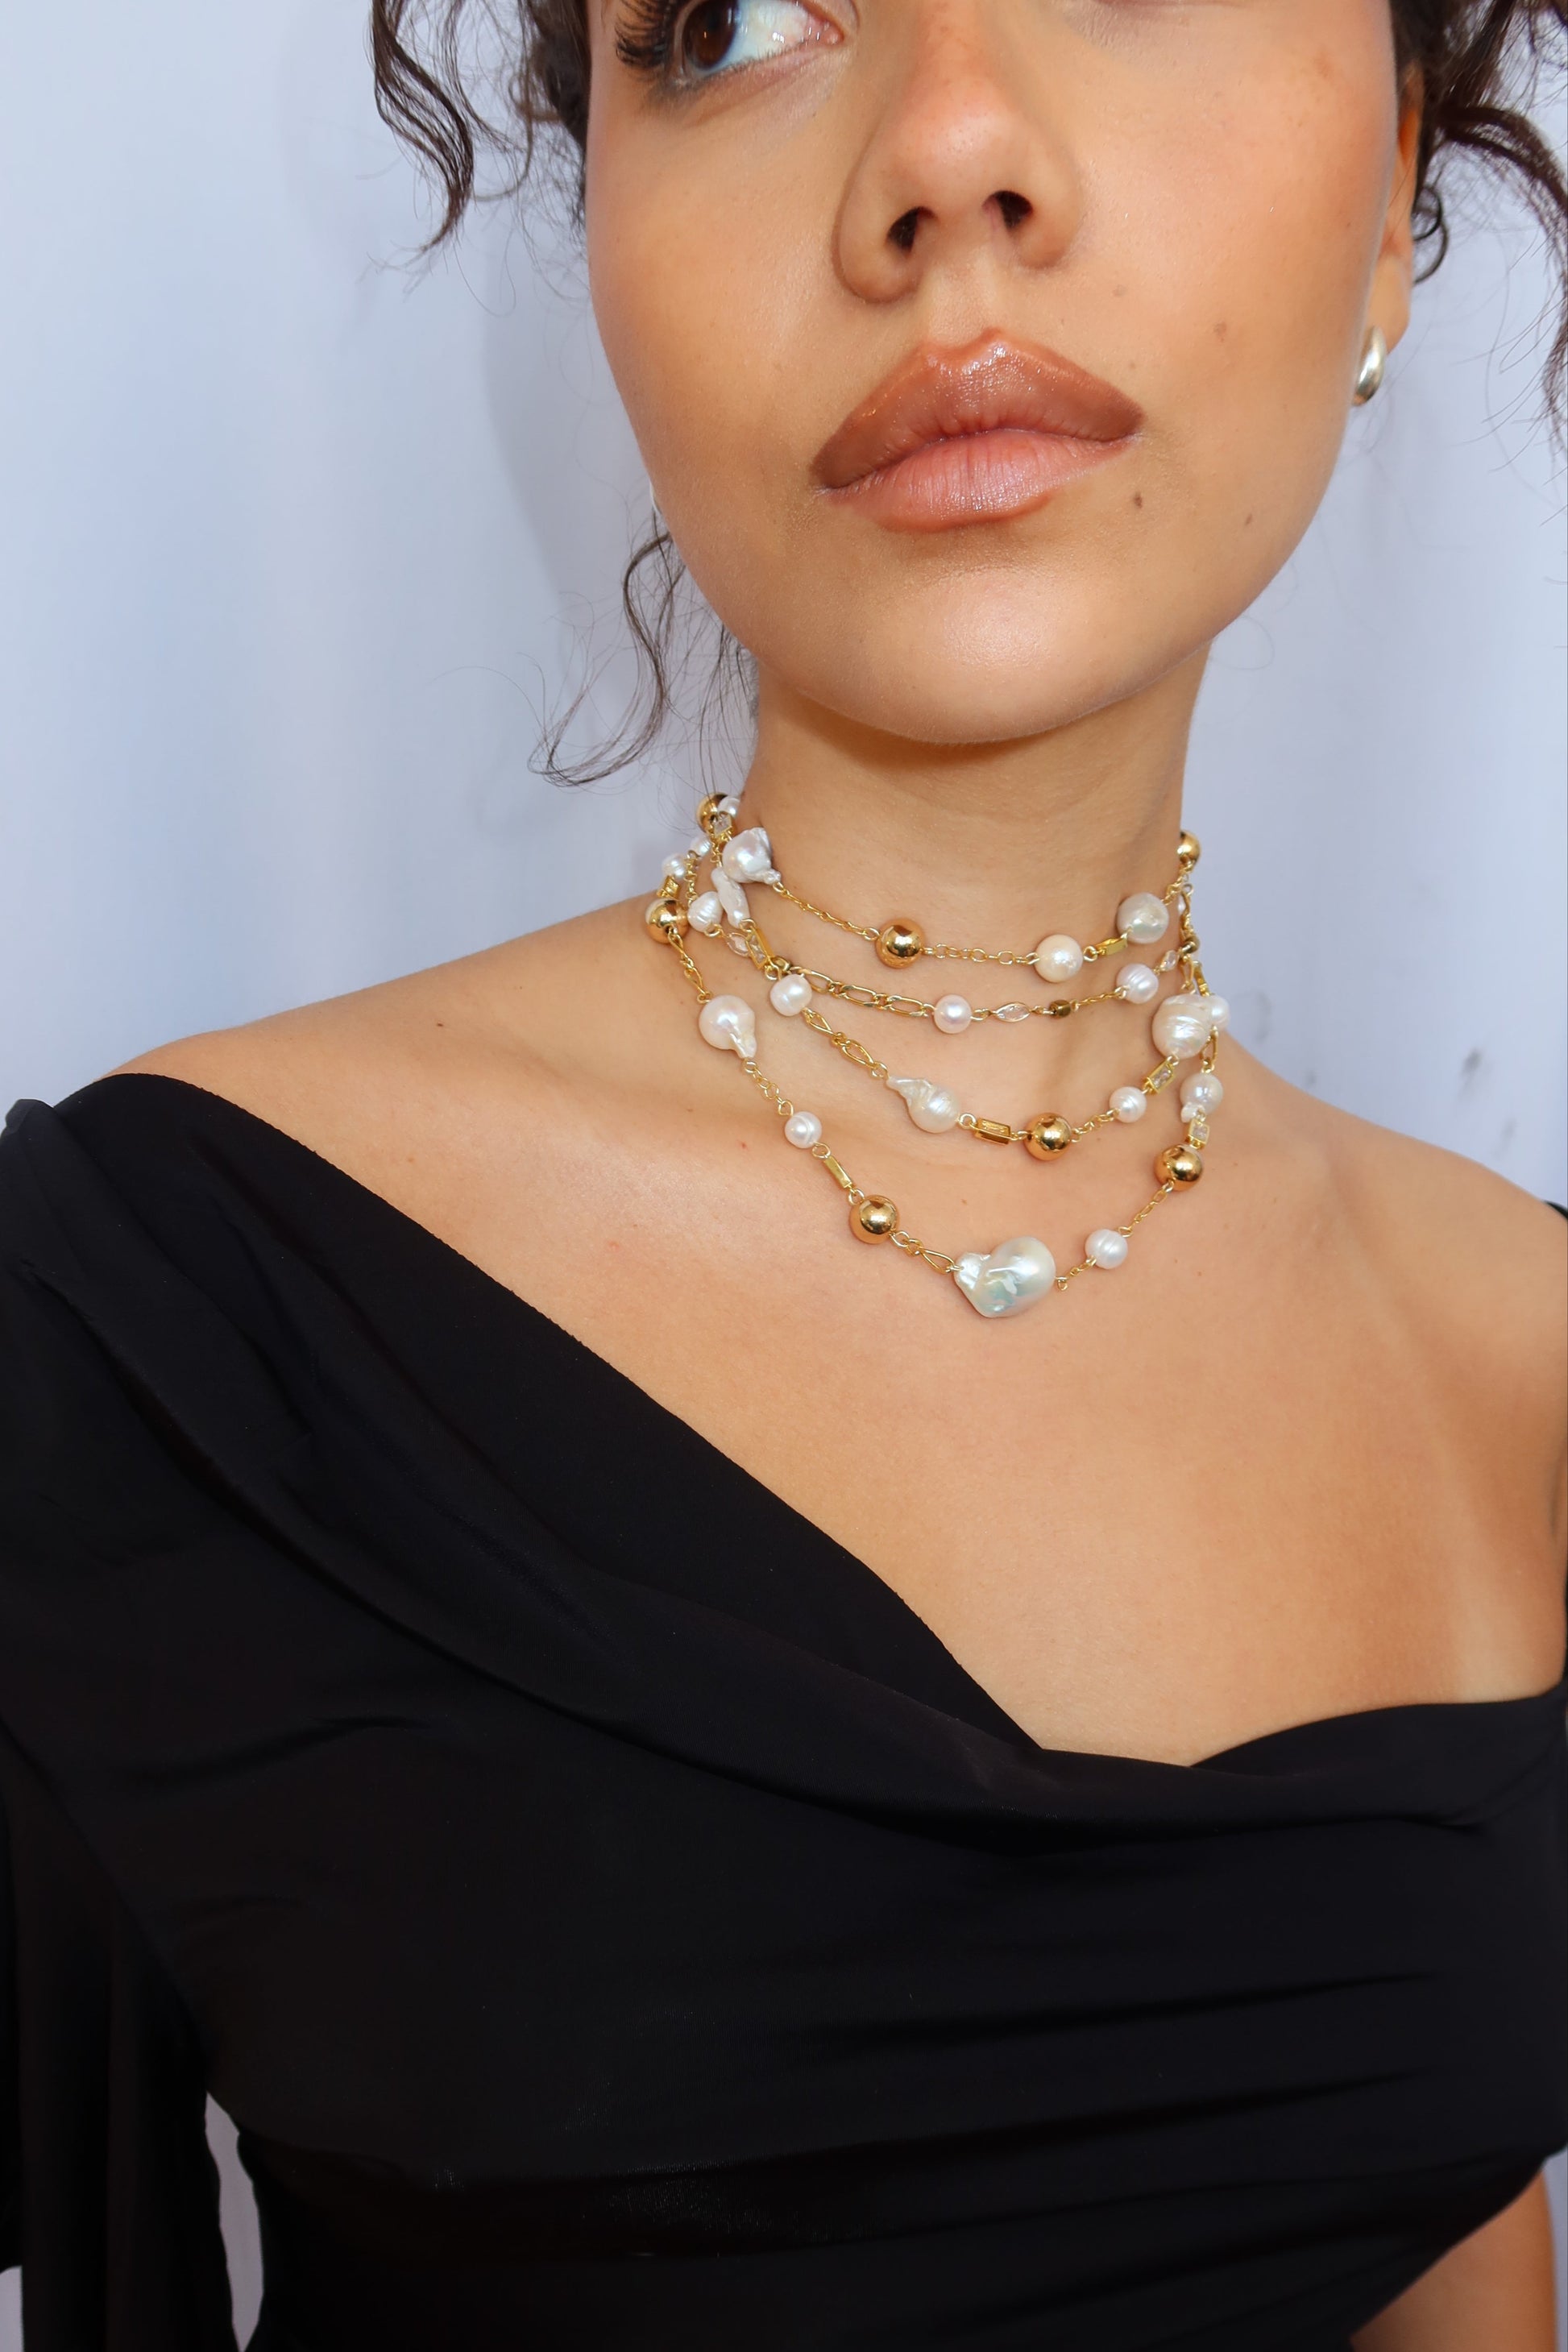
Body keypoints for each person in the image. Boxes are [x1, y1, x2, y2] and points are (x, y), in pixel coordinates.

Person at [2, 3, 1566, 2346]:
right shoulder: (162, 1330)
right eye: (729, 21)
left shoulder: (1518, 1360)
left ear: (1390, 207)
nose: (950, 148)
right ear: (607, 251)